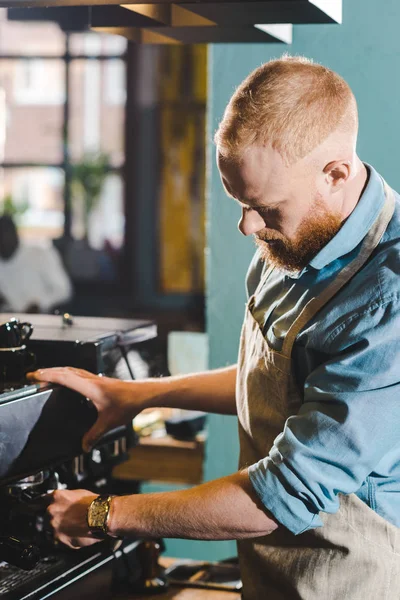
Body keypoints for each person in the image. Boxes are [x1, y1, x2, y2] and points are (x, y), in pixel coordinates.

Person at [28, 56, 400, 599]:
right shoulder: (291, 242)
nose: (247, 226)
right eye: (240, 203)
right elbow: (274, 384)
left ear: (336, 174)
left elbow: (278, 496)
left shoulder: (386, 301)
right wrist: (135, 396)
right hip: (272, 575)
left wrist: (102, 514)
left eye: (265, 207)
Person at [0, 215, 72, 313]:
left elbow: (64, 291)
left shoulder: (40, 254)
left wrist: (40, 304)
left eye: (5, 234)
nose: (3, 240)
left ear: (15, 234)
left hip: (44, 320)